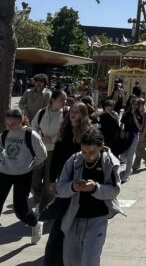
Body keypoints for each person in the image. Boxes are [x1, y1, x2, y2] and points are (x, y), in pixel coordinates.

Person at [56, 127, 123, 266]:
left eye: (92, 152)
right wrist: (73, 187)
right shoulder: (74, 161)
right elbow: (60, 187)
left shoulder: (109, 162)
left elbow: (114, 191)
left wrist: (95, 188)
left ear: (101, 148)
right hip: (73, 222)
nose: (87, 156)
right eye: (84, 152)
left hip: (97, 222)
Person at [0, 108, 47, 243]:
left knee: (20, 210)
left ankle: (35, 224)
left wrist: (30, 165)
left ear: (21, 121)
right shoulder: (4, 134)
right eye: (7, 124)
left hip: (23, 175)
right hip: (4, 173)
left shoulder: (30, 135)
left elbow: (42, 155)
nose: (10, 127)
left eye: (13, 124)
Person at [31, 88, 67, 227]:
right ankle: (37, 197)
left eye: (65, 99)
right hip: (38, 150)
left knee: (48, 181)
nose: (64, 102)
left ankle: (44, 211)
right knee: (34, 177)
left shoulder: (65, 114)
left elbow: (65, 133)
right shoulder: (41, 113)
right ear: (53, 100)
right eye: (61, 99)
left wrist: (52, 139)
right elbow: (33, 127)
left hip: (54, 151)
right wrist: (38, 138)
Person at [50, 102, 91, 187]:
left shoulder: (87, 132)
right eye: (72, 111)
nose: (73, 114)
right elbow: (56, 154)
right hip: (63, 170)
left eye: (77, 112)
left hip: (79, 172)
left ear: (82, 114)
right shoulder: (63, 128)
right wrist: (52, 179)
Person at [119, 97, 140, 182]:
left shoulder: (139, 114)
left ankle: (127, 174)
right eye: (134, 104)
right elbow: (121, 124)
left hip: (134, 135)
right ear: (131, 104)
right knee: (123, 155)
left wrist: (135, 116)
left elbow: (139, 127)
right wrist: (121, 132)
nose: (135, 106)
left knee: (130, 156)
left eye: (137, 104)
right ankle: (129, 167)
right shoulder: (126, 113)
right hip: (125, 134)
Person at [133, 98, 146, 170]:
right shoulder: (140, 111)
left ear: (141, 104)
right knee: (139, 148)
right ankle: (136, 164)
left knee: (139, 149)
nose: (135, 106)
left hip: (145, 132)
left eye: (137, 104)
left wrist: (143, 135)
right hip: (141, 131)